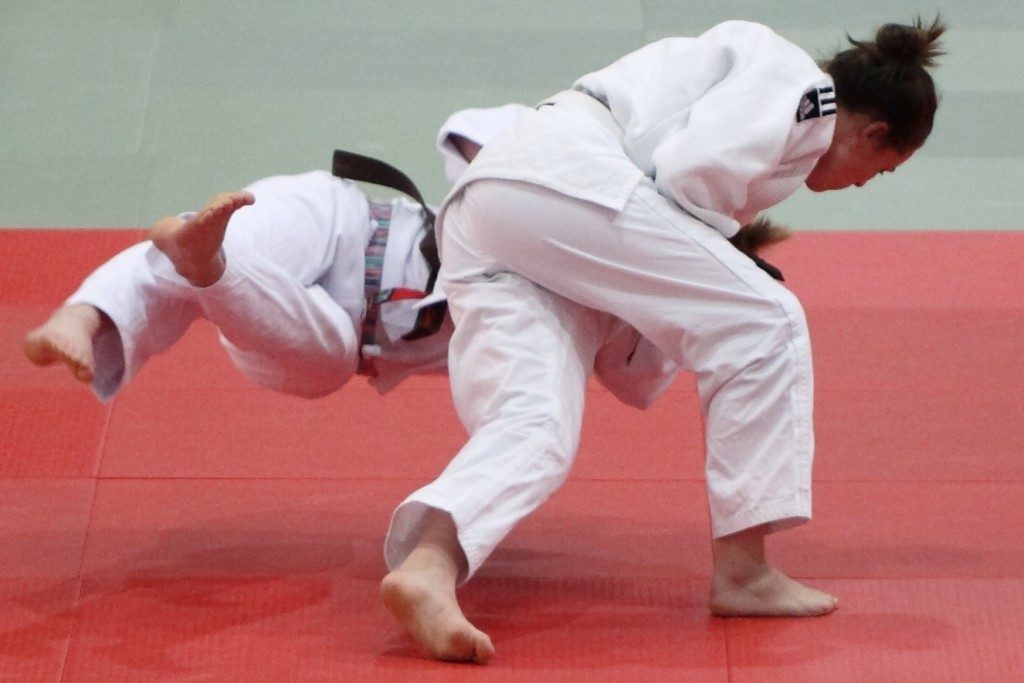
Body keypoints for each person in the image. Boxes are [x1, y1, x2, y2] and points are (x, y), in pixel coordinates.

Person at [381, 18, 945, 663]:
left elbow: (658, 257)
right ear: (874, 133)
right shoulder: (799, 87)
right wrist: (725, 262)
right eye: (883, 169)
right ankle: (744, 573)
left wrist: (705, 276)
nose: (866, 182)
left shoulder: (773, 112)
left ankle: (428, 568)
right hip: (568, 182)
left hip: (494, 210)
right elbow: (685, 176)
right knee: (767, 322)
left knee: (535, 421)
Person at [23, 103, 679, 410]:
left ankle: (210, 266)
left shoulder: (612, 310)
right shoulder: (585, 163)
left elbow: (637, 385)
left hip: (339, 330)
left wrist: (658, 296)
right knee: (237, 232)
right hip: (346, 220)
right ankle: (86, 313)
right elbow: (467, 133)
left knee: (324, 353)